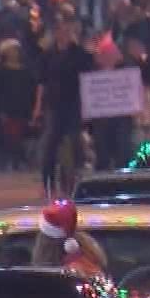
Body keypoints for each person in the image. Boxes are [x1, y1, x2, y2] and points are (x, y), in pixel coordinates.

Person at [35, 14, 95, 197]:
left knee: (76, 145)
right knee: (49, 146)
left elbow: (89, 81)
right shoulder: (48, 55)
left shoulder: (81, 55)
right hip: (54, 105)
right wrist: (37, 107)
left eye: (68, 31)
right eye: (61, 31)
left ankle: (77, 183)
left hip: (74, 105)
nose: (65, 35)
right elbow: (42, 83)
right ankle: (48, 184)